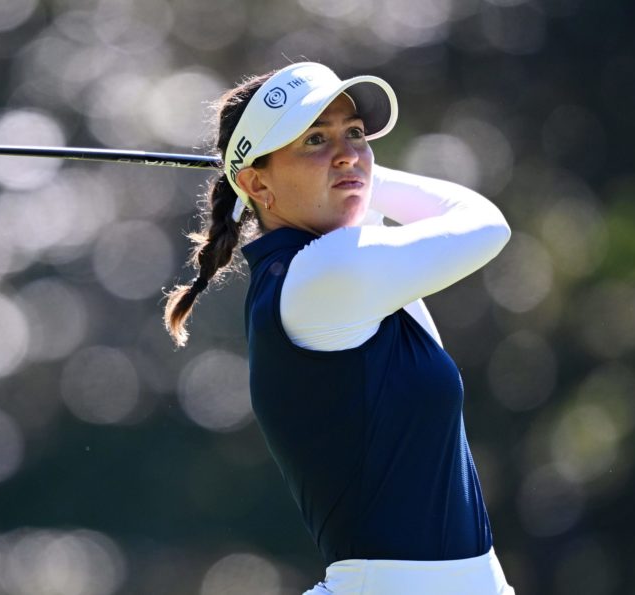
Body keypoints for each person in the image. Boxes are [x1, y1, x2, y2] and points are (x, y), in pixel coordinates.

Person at [163, 62, 515, 594]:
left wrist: (349, 174)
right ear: (258, 182)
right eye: (314, 140)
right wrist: (362, 176)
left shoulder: (318, 268)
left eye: (354, 134)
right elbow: (485, 224)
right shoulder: (329, 273)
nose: (347, 150)